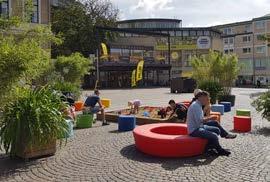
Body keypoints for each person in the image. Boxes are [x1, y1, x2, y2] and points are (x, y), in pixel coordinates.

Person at [187, 91, 236, 156]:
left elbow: (200, 119)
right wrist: (210, 118)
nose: (207, 100)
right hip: (194, 130)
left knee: (217, 129)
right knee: (214, 136)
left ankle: (209, 148)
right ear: (201, 97)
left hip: (199, 126)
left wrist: (210, 118)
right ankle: (220, 150)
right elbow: (199, 121)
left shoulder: (198, 104)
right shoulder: (196, 106)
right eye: (206, 99)